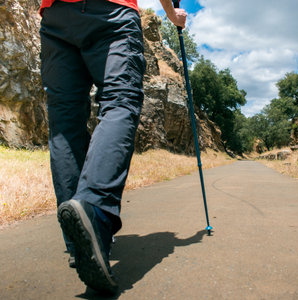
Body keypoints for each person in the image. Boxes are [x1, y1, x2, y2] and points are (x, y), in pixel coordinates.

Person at [39, 0, 187, 294]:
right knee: (121, 102)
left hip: (56, 17)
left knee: (65, 126)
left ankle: (77, 241)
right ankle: (94, 211)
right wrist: (172, 14)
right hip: (111, 13)